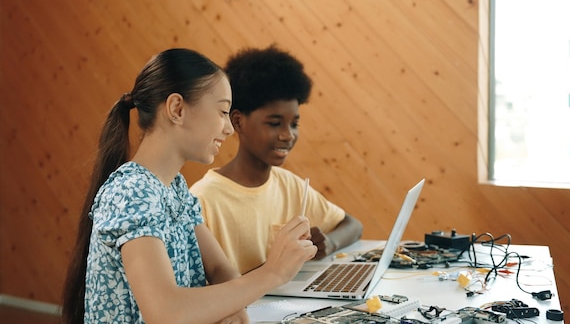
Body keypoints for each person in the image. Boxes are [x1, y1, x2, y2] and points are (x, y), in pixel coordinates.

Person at [61, 48, 317, 324]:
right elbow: (166, 313)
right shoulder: (132, 193)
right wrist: (272, 273)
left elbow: (220, 268)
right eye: (222, 112)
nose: (229, 129)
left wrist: (235, 310)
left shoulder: (174, 187)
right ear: (177, 109)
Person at [189, 45, 363, 275]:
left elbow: (353, 225)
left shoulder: (288, 184)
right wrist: (278, 266)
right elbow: (204, 289)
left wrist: (329, 243)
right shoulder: (204, 199)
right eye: (274, 123)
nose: (287, 135)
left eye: (294, 124)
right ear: (238, 122)